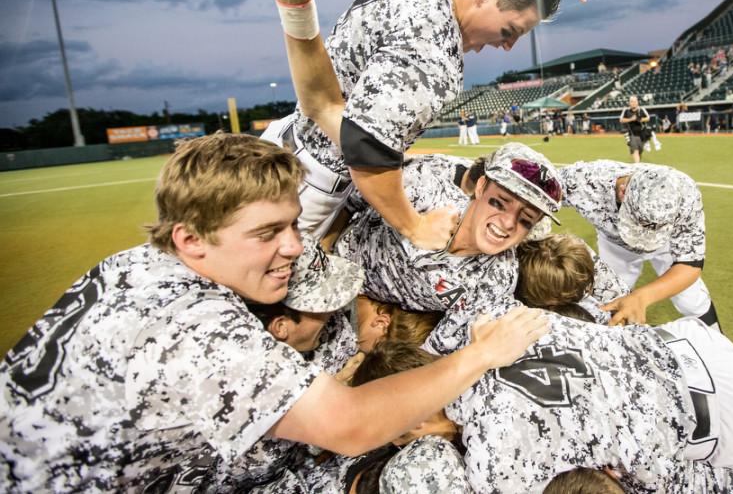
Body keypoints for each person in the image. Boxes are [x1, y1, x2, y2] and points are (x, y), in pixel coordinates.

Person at [0, 133, 548, 492]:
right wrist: (480, 355)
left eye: (292, 225)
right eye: (268, 233)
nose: (292, 246)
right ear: (191, 238)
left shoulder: (141, 264)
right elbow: (349, 425)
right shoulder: (186, 332)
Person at [253, 0, 584, 249]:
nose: (506, 45)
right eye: (509, 30)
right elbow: (367, 150)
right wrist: (413, 225)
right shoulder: (435, 58)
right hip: (309, 187)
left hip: (279, 142)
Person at [352, 320, 733, 494]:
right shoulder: (493, 328)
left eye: (401, 434)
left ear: (417, 418)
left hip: (706, 415)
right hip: (692, 347)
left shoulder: (493, 454)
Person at [334, 143, 564, 355]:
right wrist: (324, 247)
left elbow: (433, 352)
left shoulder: (496, 281)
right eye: (500, 202)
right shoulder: (427, 188)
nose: (508, 223)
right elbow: (352, 197)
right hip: (330, 265)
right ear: (481, 187)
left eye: (525, 220)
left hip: (363, 309)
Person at [560, 160, 720, 327]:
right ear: (623, 192)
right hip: (615, 245)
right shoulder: (584, 181)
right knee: (611, 301)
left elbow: (690, 265)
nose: (642, 246)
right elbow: (538, 191)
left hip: (666, 244)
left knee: (692, 300)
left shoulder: (685, 194)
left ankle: (718, 344)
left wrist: (642, 296)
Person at [619, 95, 650, 163]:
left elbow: (648, 118)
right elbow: (621, 120)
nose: (633, 103)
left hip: (642, 134)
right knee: (635, 150)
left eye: (635, 101)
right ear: (629, 103)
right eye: (631, 101)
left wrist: (640, 119)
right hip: (631, 134)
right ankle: (637, 167)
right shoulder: (626, 110)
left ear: (637, 102)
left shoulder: (642, 109)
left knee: (640, 151)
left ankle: (637, 163)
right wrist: (631, 119)